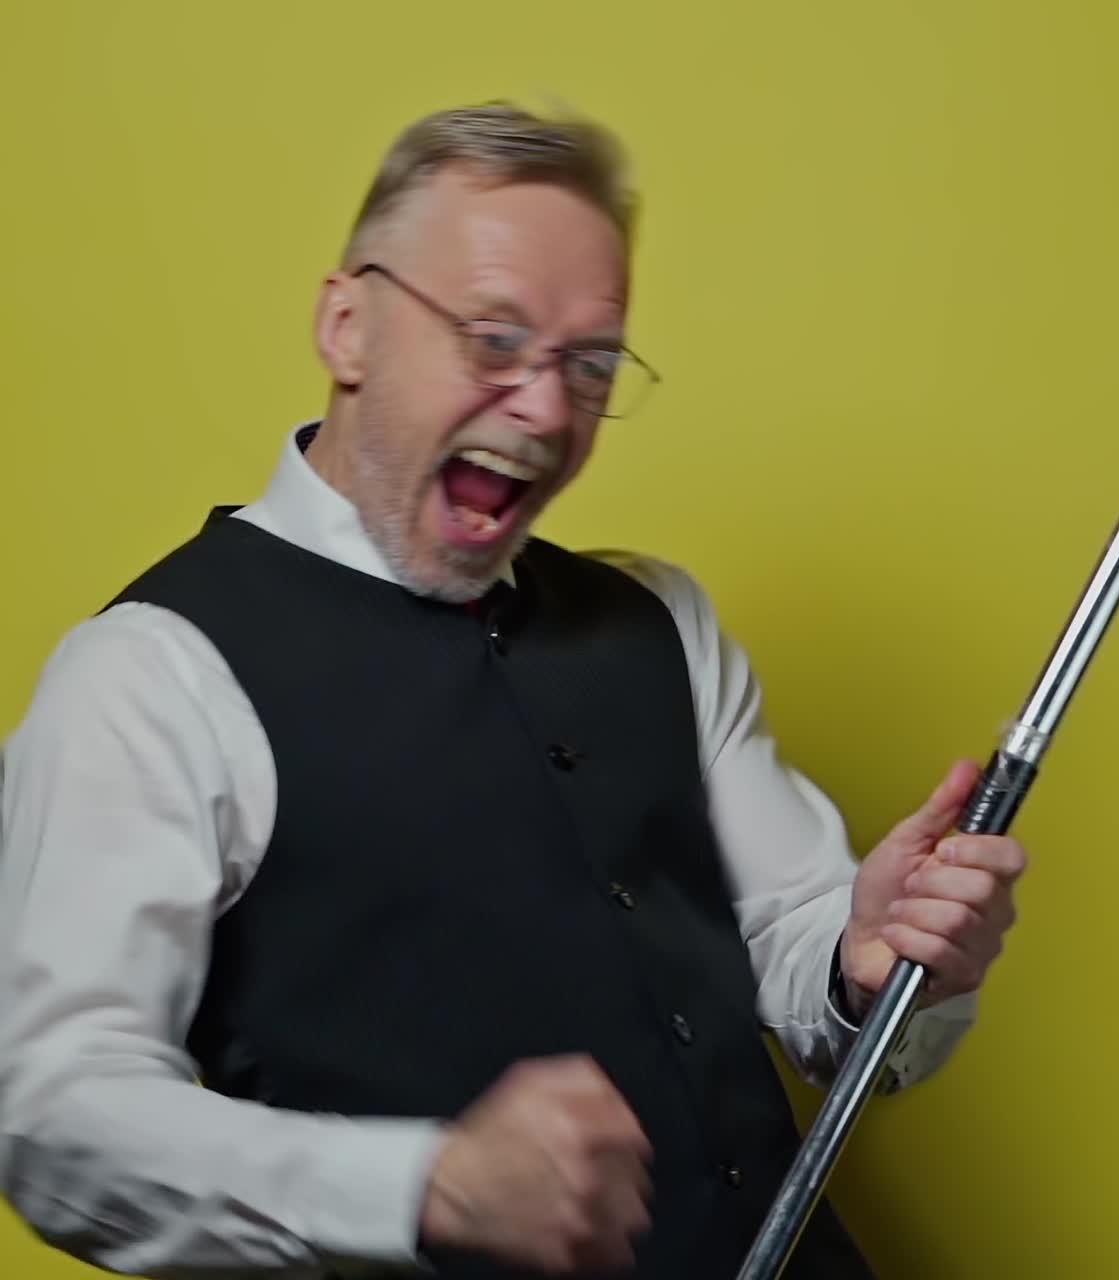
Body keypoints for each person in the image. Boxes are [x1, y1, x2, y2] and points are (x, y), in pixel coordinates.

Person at [0, 104, 1026, 1279]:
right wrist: (420, 1183)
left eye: (589, 364)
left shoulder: (659, 619)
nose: (545, 408)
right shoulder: (152, 676)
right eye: (493, 338)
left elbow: (796, 952)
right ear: (348, 325)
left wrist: (868, 954)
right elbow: (52, 1113)